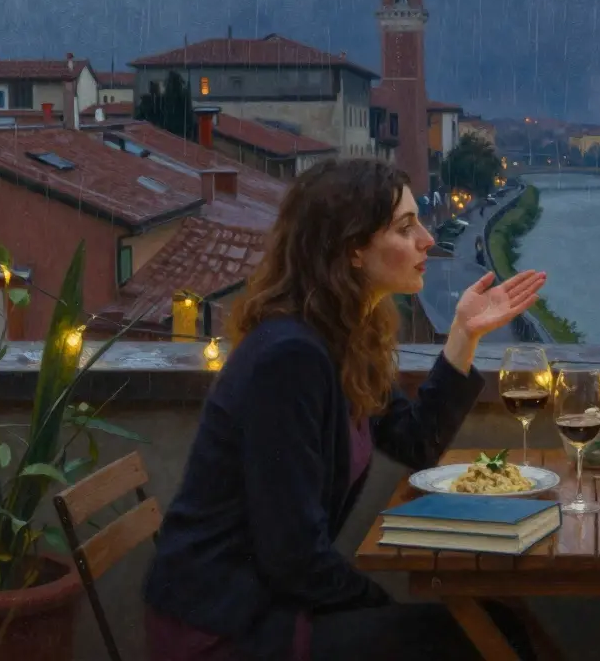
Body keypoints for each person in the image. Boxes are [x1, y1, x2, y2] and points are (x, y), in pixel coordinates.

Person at [143, 159, 546, 661]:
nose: (426, 239)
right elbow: (291, 555)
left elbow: (416, 441)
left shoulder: (343, 339)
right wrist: (379, 606)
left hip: (277, 604)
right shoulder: (289, 359)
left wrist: (465, 334)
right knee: (484, 638)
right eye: (405, 227)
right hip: (230, 628)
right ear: (353, 248)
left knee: (499, 624)